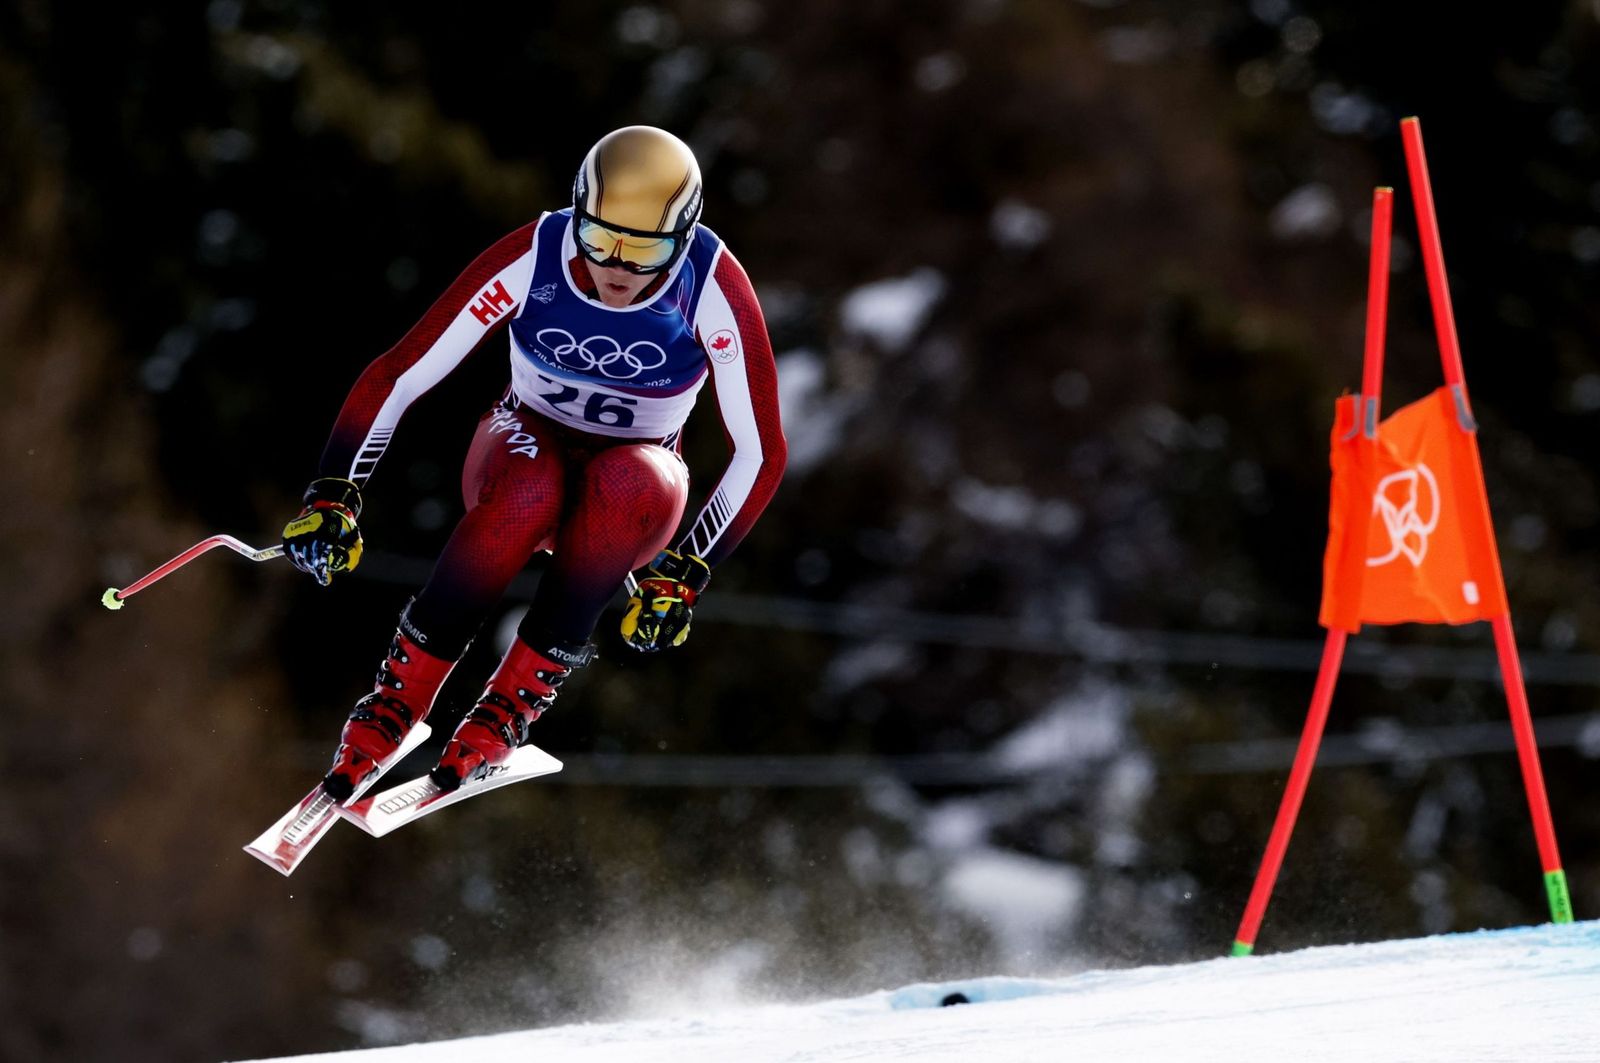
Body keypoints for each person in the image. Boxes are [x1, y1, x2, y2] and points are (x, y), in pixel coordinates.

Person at [280, 126, 787, 798]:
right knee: (532, 487)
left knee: (623, 478)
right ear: (577, 212)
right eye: (602, 239)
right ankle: (397, 702)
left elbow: (761, 451)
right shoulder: (534, 255)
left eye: (648, 251)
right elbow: (400, 372)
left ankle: (507, 706)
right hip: (517, 448)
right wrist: (333, 495)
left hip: (634, 491)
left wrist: (686, 572)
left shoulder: (712, 287)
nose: (619, 269)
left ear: (686, 236)